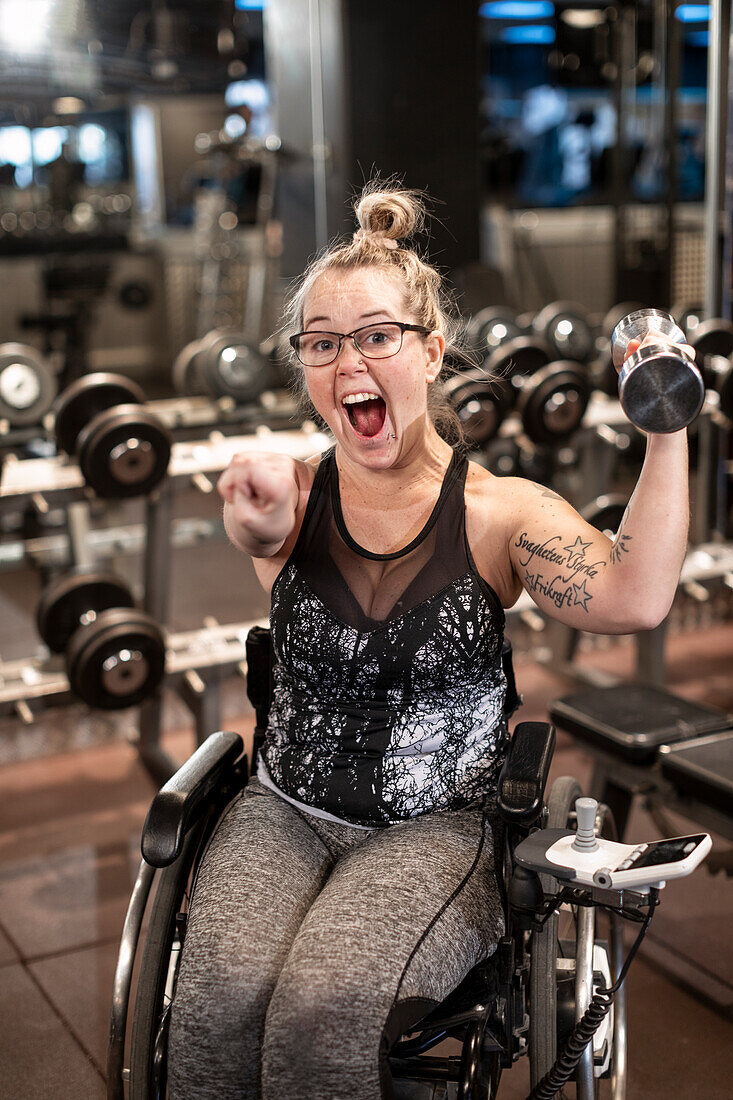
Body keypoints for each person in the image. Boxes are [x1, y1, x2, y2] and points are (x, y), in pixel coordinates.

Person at [168, 181, 691, 1099]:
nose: (348, 362)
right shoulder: (295, 493)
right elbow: (261, 534)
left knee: (320, 1010)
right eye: (322, 344)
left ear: (431, 350)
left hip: (437, 829)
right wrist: (252, 509)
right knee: (214, 1006)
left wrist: (663, 428)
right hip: (283, 808)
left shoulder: (500, 514)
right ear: (304, 369)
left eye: (376, 336)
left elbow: (634, 597)